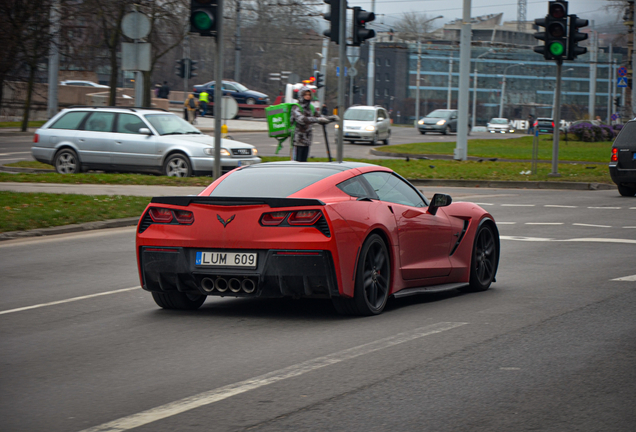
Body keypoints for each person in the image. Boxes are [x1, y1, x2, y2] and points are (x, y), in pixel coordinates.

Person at [291, 86, 337, 162]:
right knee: (297, 162)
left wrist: (331, 118)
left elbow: (319, 116)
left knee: (304, 161)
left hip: (307, 140)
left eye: (309, 95)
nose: (308, 96)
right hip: (298, 140)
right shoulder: (296, 107)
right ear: (301, 96)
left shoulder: (311, 107)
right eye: (305, 95)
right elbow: (301, 119)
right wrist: (317, 119)